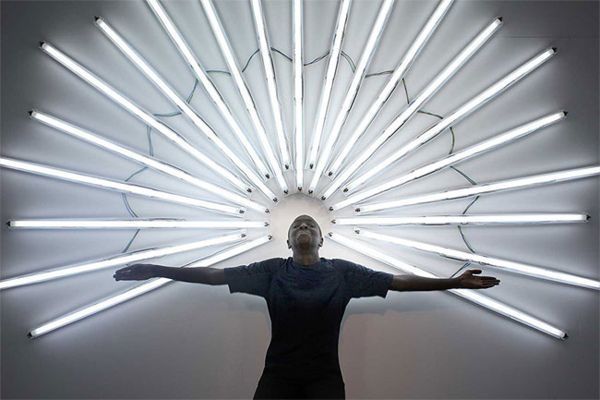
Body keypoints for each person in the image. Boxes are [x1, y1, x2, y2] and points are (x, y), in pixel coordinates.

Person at [113, 214, 500, 399]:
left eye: (309, 225)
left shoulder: (343, 274)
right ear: (288, 242)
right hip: (277, 377)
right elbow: (215, 276)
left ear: (320, 239)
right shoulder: (270, 272)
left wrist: (453, 281)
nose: (302, 228)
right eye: (296, 225)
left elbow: (397, 282)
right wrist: (154, 269)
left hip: (324, 379)